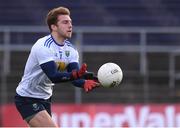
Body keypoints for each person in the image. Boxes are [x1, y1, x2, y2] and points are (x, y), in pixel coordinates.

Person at [14, 6, 99, 127]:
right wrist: (75, 75)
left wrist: (83, 82)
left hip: (45, 99)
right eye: (65, 22)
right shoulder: (43, 46)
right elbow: (53, 76)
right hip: (27, 98)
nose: (70, 25)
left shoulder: (71, 49)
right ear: (53, 27)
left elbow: (74, 76)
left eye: (70, 22)